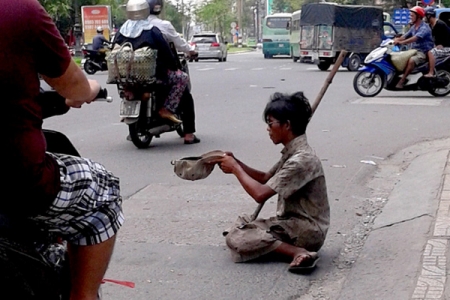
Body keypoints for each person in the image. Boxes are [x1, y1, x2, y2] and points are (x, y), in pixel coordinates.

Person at [1, 1, 124, 299]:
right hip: (17, 183)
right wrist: (90, 89)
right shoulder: (20, 11)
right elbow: (77, 88)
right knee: (103, 191)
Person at [211, 92, 330, 272]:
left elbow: (260, 194)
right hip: (290, 224)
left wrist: (235, 168)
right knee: (240, 224)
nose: (268, 128)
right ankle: (271, 246)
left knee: (238, 237)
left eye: (270, 123)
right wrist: (237, 161)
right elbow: (266, 178)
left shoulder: (302, 160)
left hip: (306, 231)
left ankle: (297, 252)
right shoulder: (293, 152)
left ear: (287, 125)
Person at [113, 0, 189, 124]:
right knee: (182, 78)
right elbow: (165, 52)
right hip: (154, 75)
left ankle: (129, 103)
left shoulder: (121, 31)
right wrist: (174, 67)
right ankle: (166, 109)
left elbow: (114, 50)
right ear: (145, 11)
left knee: (126, 87)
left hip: (126, 75)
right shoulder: (152, 30)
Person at [146, 0, 200, 144]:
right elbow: (179, 43)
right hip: (159, 72)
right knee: (183, 84)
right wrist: (191, 51)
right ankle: (188, 134)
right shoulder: (161, 26)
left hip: (133, 74)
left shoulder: (128, 26)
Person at [393, 6, 434, 89]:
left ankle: (402, 80)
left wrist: (401, 42)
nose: (410, 17)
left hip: (423, 52)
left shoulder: (424, 27)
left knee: (411, 60)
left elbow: (414, 38)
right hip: (413, 50)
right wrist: (395, 40)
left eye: (412, 16)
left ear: (418, 17)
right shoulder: (413, 27)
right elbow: (405, 36)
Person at [424, 7, 450, 77]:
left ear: (429, 16)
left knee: (431, 52)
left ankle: (431, 72)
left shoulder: (440, 24)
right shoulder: (430, 26)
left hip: (447, 48)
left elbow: (447, 38)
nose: (425, 18)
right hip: (439, 47)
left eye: (425, 16)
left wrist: (442, 45)